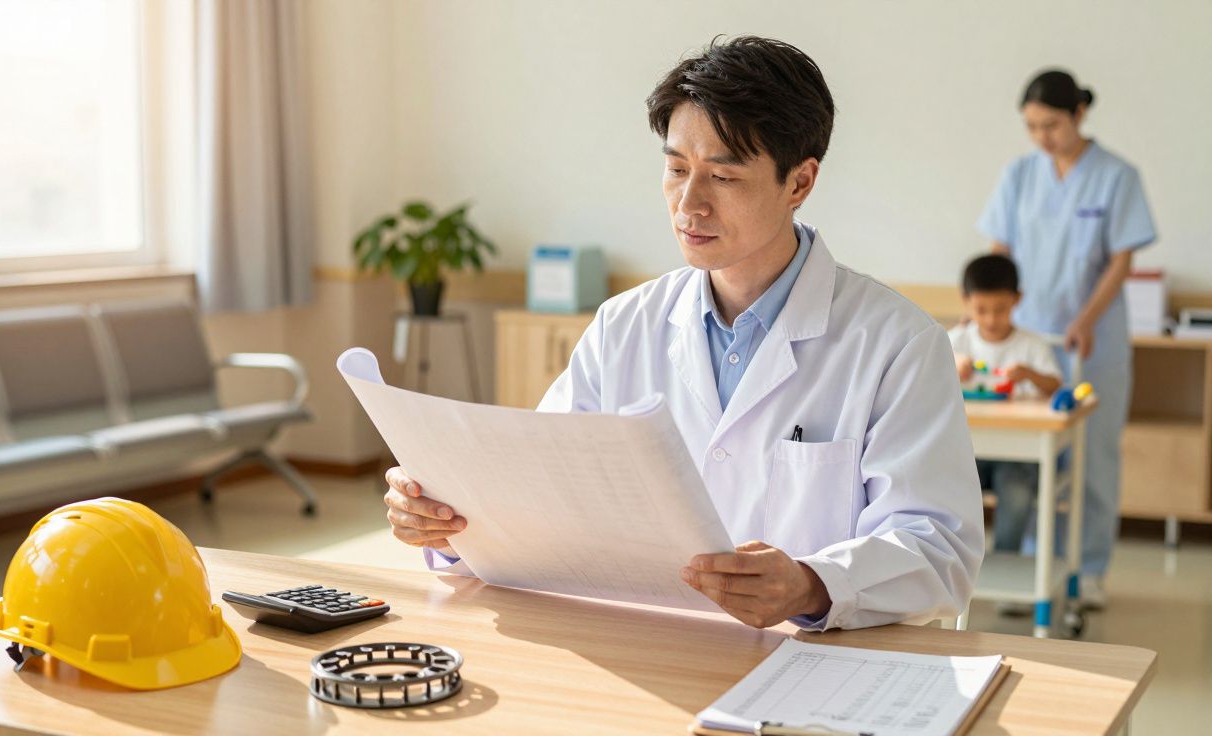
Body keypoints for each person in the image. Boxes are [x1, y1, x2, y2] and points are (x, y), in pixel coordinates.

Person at [383, 36, 983, 631]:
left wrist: (814, 584)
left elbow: (939, 548)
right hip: (647, 651)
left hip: (816, 668)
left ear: (799, 182)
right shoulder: (623, 327)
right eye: (676, 169)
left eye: (722, 178)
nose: (688, 205)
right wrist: (452, 526)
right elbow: (541, 505)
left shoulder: (898, 344)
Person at [977, 69, 1156, 610]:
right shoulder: (1019, 175)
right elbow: (998, 252)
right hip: (1027, 342)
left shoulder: (1116, 177)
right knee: (1029, 463)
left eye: (1051, 124)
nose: (1042, 137)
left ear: (1078, 113)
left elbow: (1121, 260)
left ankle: (1089, 570)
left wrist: (1085, 319)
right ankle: (1028, 573)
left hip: (1089, 343)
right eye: (1032, 127)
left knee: (1092, 458)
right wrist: (995, 317)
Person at [949, 254, 1061, 569]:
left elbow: (1054, 385)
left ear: (1017, 300)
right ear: (966, 301)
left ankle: (1006, 564)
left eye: (1000, 309)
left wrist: (1029, 375)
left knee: (1017, 493)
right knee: (950, 489)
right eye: (981, 310)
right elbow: (925, 383)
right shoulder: (956, 341)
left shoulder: (1031, 345)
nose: (991, 319)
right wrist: (951, 367)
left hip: (1018, 456)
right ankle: (959, 567)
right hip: (968, 451)